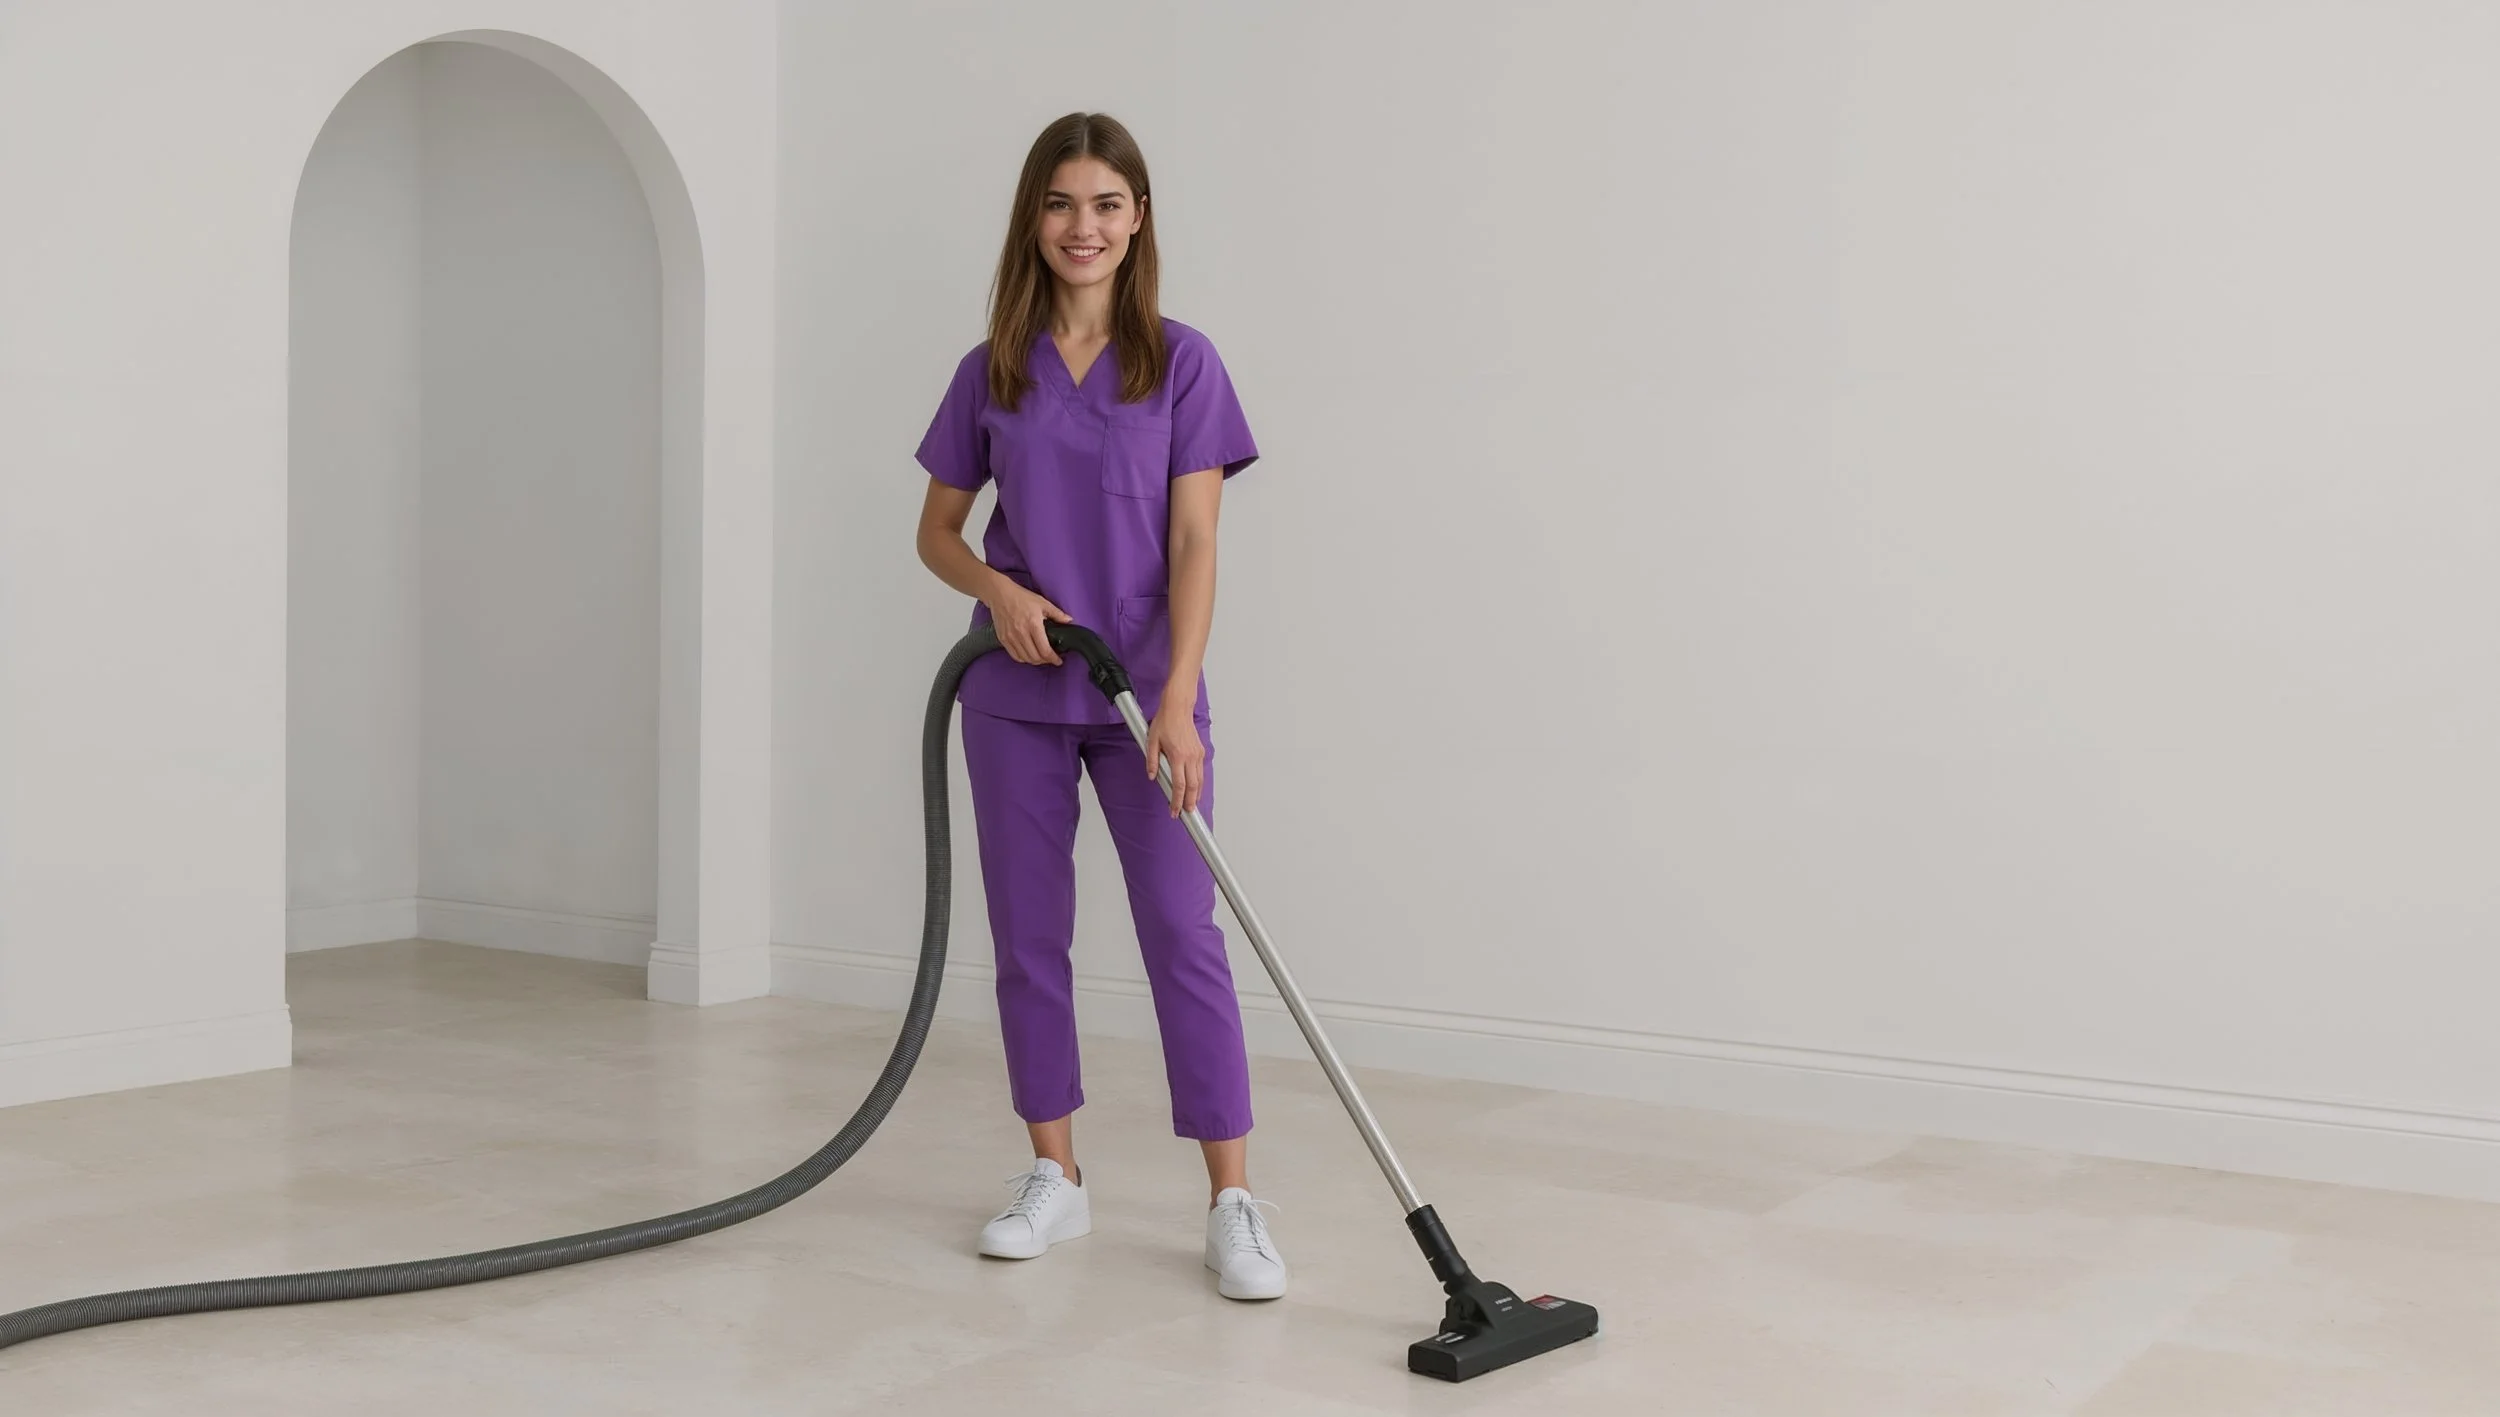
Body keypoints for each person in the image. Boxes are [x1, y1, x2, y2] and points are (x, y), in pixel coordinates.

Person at [911, 112, 1282, 1301]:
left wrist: (1176, 700)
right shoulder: (992, 368)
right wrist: (998, 591)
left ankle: (1231, 1199)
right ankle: (1054, 1174)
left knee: (1183, 932)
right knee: (1030, 938)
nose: (1085, 226)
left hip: (1145, 700)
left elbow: (1196, 541)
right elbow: (937, 532)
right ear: (1035, 217)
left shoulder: (1181, 362)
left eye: (1107, 204)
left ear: (1138, 219)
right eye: (1062, 203)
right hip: (1013, 693)